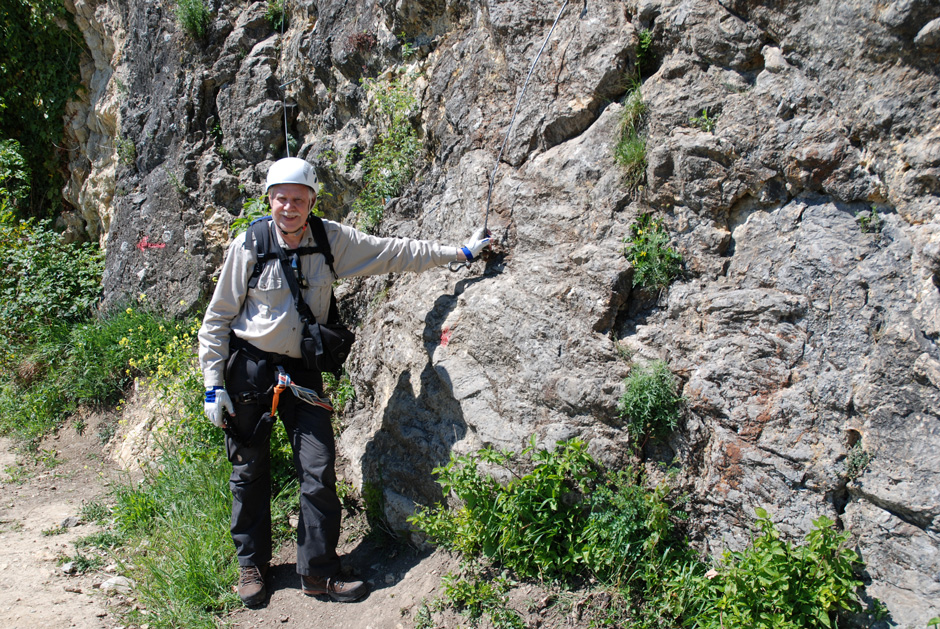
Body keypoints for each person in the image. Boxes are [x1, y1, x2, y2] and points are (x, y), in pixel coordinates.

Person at [198, 157, 489, 606]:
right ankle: (251, 566)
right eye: (281, 198)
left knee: (317, 469)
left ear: (312, 201)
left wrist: (459, 253)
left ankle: (318, 573)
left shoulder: (331, 240)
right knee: (248, 469)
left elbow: (394, 251)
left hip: (301, 370)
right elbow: (217, 318)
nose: (289, 207)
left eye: (298, 199)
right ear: (269, 199)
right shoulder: (249, 246)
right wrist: (213, 384)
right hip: (250, 368)